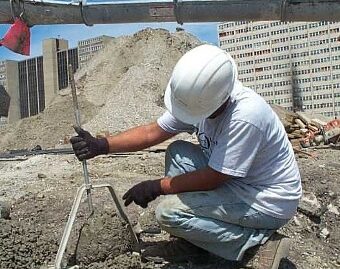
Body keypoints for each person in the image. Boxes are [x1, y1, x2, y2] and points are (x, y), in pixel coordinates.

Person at [70, 44, 302, 269]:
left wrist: (158, 186)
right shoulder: (202, 99)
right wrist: (102, 145)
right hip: (239, 182)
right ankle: (195, 242)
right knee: (178, 152)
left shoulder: (245, 116)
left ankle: (256, 245)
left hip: (267, 201)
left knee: (169, 213)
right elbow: (153, 132)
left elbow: (214, 178)